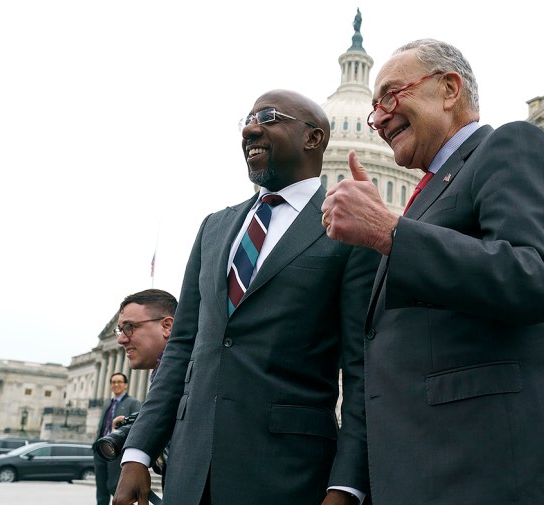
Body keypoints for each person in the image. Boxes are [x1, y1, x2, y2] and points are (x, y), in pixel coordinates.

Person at [321, 38, 544, 504]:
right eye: (373, 109)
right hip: (428, 468)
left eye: (392, 96)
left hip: (493, 469)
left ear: (449, 89)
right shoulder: (427, 196)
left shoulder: (508, 146)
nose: (377, 119)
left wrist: (391, 233)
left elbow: (535, 278)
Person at [112, 90, 379, 505]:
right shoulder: (214, 228)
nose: (251, 128)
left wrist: (346, 485)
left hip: (289, 476)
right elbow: (184, 347)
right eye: (249, 119)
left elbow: (362, 370)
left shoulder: (348, 233)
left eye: (269, 117)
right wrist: (137, 452)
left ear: (314, 138)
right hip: (190, 474)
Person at [112, 289, 177, 478]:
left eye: (130, 327)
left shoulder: (195, 376)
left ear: (167, 326)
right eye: (120, 329)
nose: (121, 339)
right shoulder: (160, 374)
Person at [95, 373, 141, 505]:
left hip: (117, 452)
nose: (116, 385)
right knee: (101, 488)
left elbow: (136, 426)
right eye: (113, 382)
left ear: (126, 385)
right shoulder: (107, 403)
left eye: (119, 382)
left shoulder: (133, 403)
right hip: (100, 450)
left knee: (115, 487)